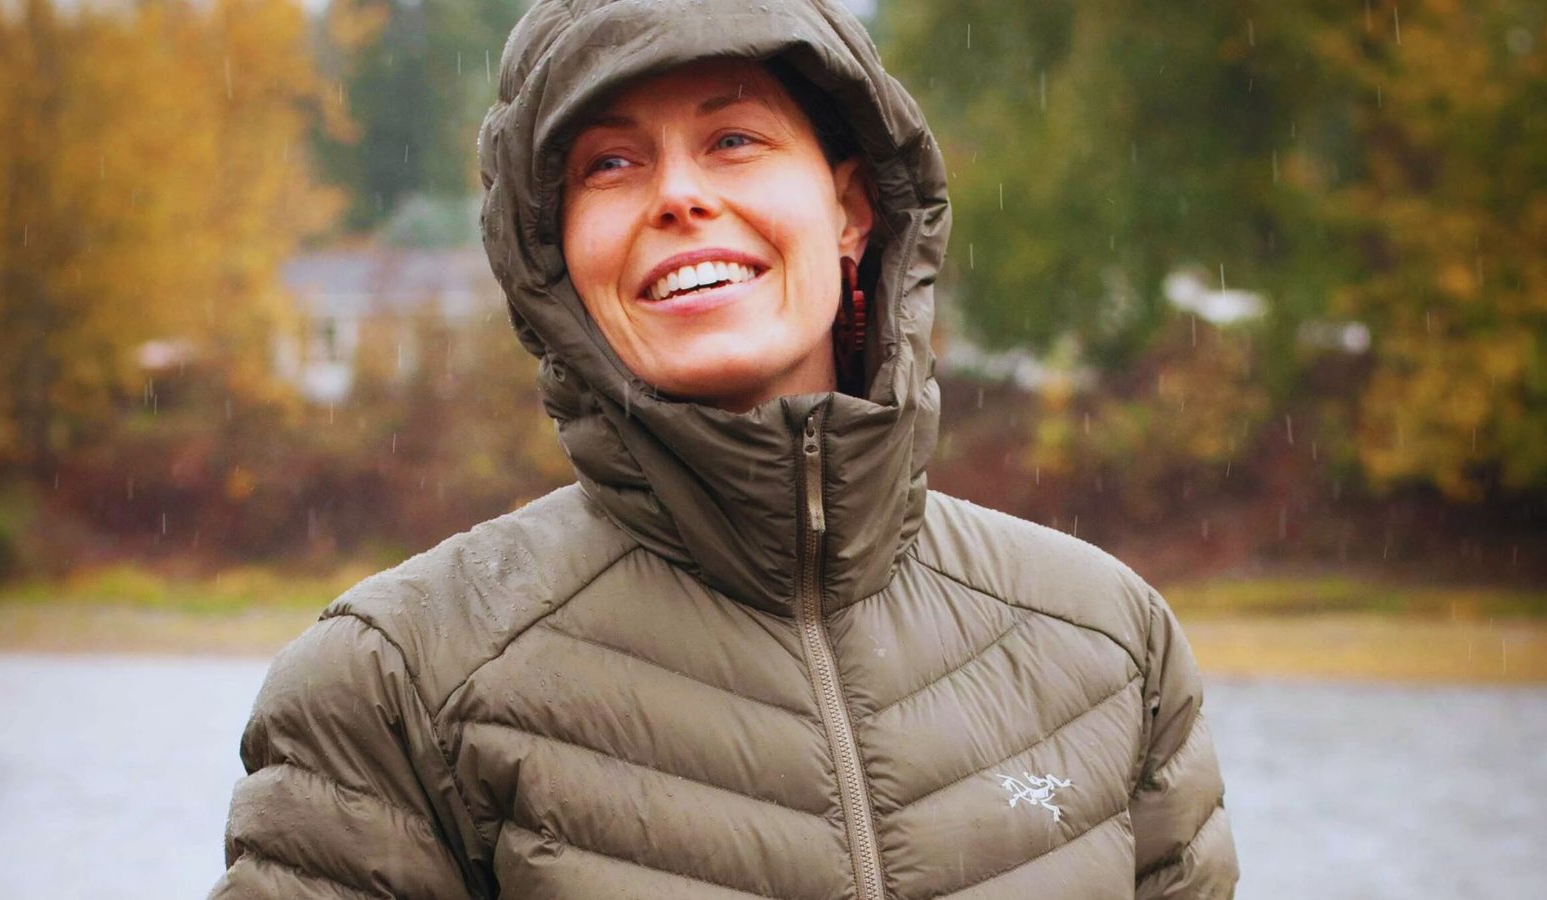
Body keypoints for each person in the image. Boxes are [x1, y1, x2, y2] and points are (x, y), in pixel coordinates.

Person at [213, 0, 1238, 897]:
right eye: (610, 163)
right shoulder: (400, 684)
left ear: (849, 208)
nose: (677, 196)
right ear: (552, 260)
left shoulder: (1104, 645)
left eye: (735, 139)